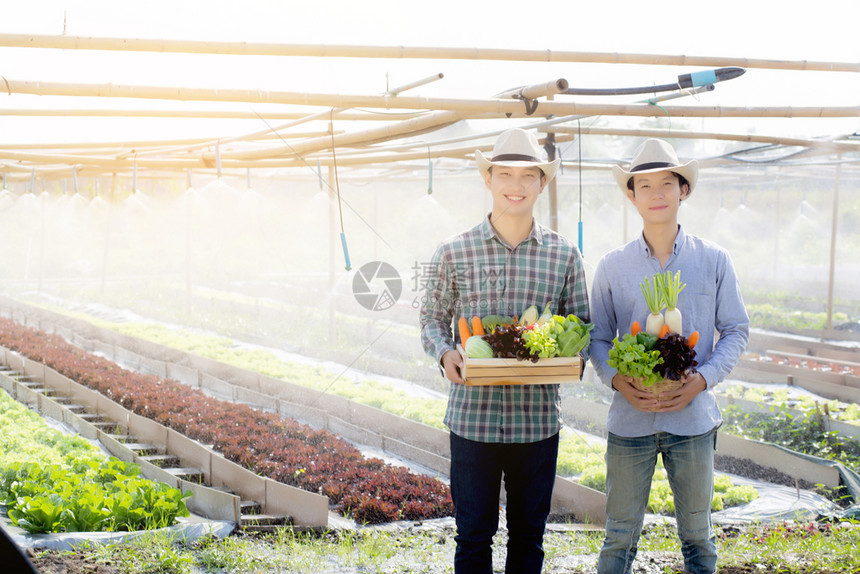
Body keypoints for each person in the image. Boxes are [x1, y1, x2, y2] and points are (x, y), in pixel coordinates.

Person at [419, 127, 589, 574]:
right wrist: (445, 354)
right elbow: (431, 319)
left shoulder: (564, 255)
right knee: (473, 535)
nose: (516, 186)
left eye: (527, 176)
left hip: (536, 422)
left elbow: (584, 325)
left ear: (541, 183)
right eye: (505, 174)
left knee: (529, 538)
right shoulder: (454, 251)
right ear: (488, 179)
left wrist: (572, 358)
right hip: (473, 419)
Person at [589, 138, 750, 574]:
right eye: (645, 185)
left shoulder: (714, 260)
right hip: (630, 421)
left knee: (699, 537)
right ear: (631, 194)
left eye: (667, 183)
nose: (657, 193)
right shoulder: (612, 266)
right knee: (619, 536)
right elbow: (599, 339)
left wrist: (703, 379)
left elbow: (737, 329)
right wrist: (619, 380)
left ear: (684, 190)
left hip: (693, 420)